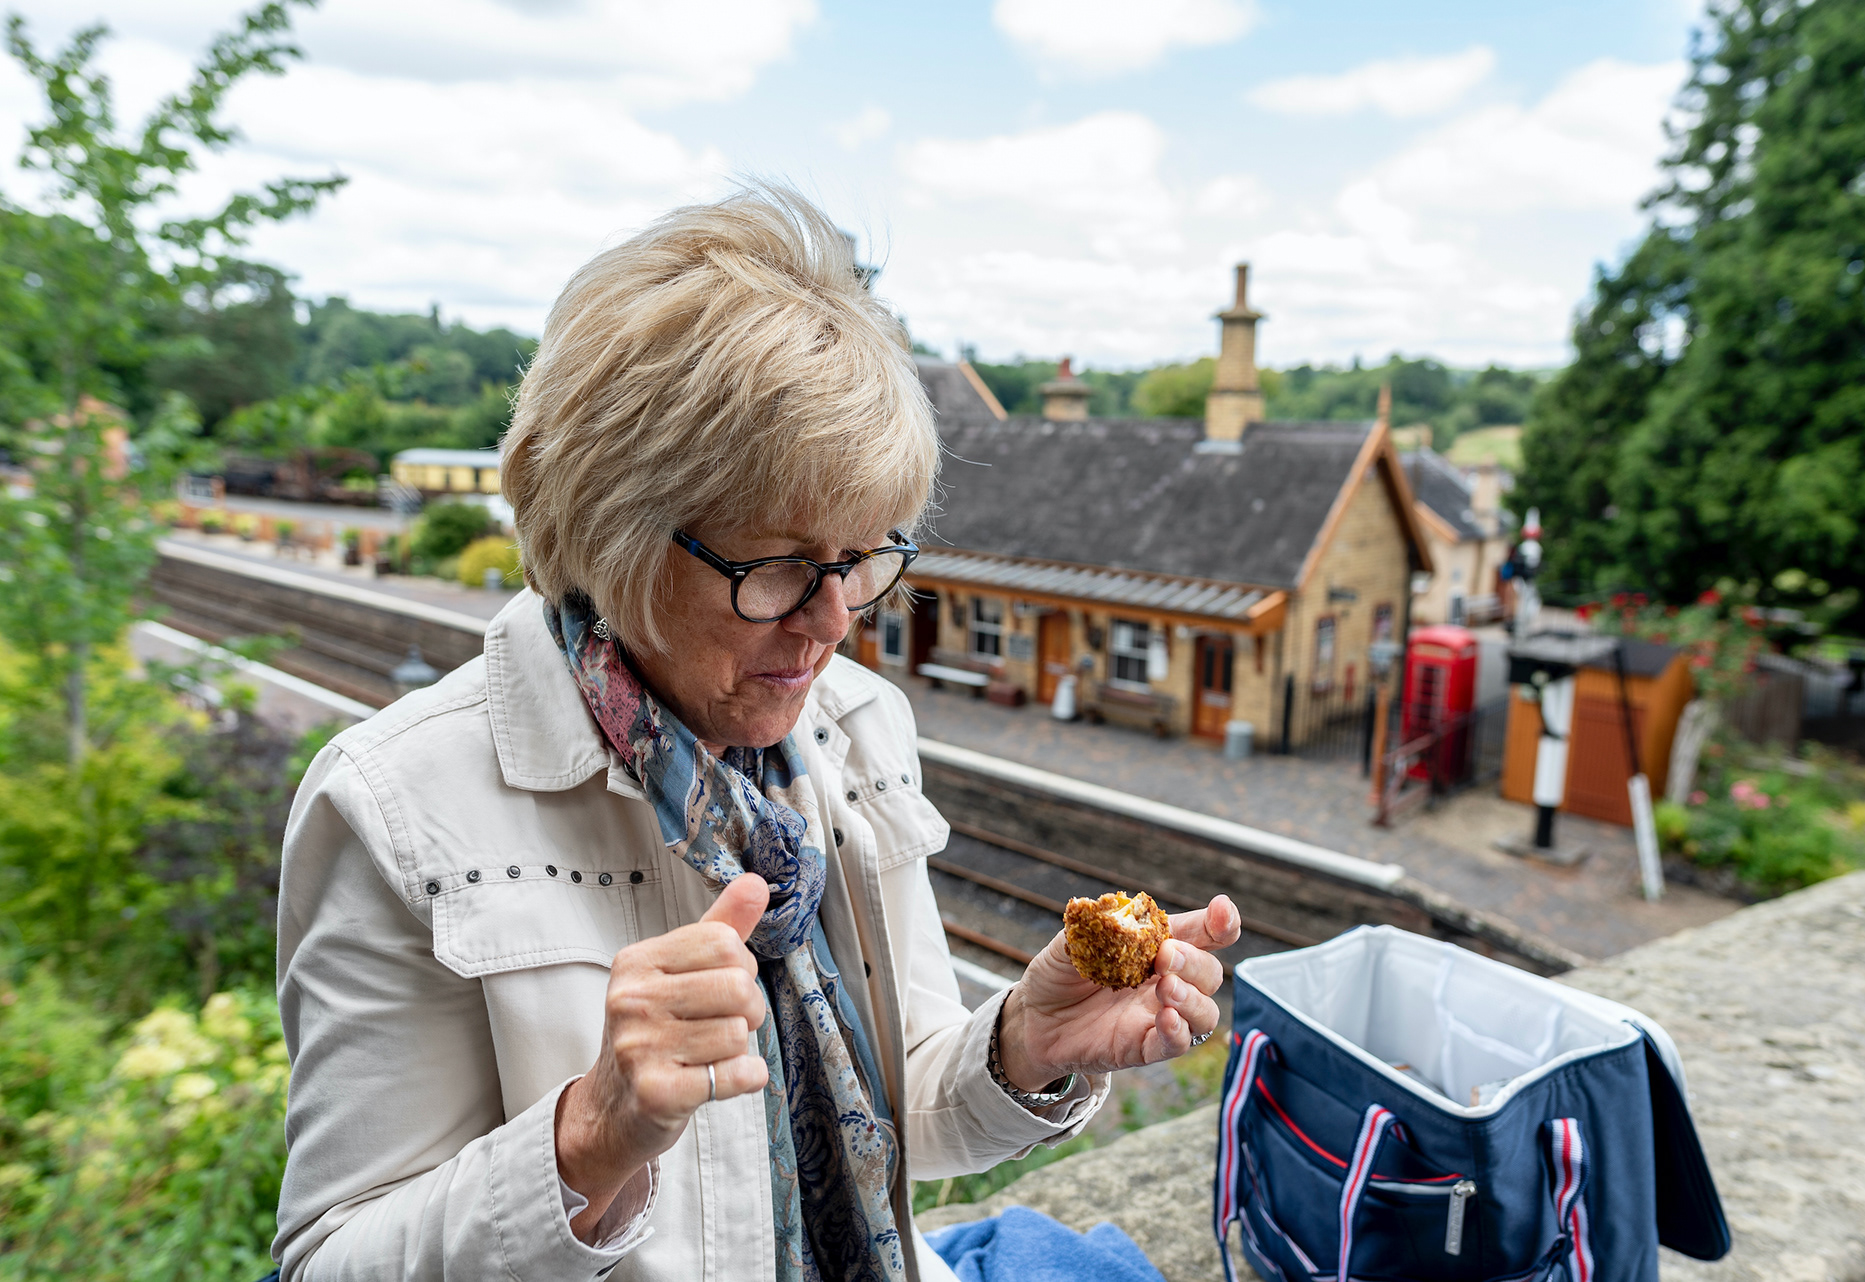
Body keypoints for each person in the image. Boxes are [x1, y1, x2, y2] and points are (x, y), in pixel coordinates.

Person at [271, 187, 1242, 1282]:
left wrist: (1026, 1042)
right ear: (609, 533)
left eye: (861, 559)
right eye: (778, 566)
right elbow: (327, 1262)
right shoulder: (395, 809)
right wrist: (589, 1139)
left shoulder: (859, 728)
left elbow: (899, 1121)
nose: (833, 623)